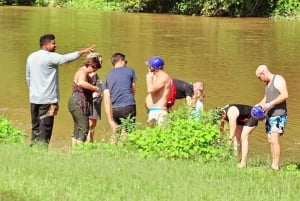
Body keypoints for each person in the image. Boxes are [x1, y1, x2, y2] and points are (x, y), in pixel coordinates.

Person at [26, 33, 95, 147]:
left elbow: (28, 77)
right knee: (46, 127)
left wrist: (33, 90)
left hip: (34, 98)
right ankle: (41, 152)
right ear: (46, 45)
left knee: (36, 126)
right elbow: (65, 59)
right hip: (48, 100)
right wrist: (84, 51)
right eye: (53, 43)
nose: (55, 45)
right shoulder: (50, 57)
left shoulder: (31, 56)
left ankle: (33, 148)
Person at [255, 64, 288, 170]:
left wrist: (270, 104)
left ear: (263, 73)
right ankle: (273, 163)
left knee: (274, 139)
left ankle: (276, 166)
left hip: (279, 114)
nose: (260, 80)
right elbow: (267, 97)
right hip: (269, 116)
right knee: (270, 140)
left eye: (259, 77)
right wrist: (259, 104)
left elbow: (284, 95)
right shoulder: (268, 84)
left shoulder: (278, 79)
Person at [103, 53, 137, 144]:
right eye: (125, 61)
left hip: (115, 108)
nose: (126, 63)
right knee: (127, 132)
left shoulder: (107, 76)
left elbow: (106, 100)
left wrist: (110, 120)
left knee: (116, 132)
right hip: (128, 105)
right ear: (121, 60)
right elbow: (133, 89)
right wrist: (130, 99)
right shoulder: (130, 71)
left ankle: (111, 151)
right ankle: (123, 151)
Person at [68, 56, 101, 146]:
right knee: (84, 127)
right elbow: (81, 82)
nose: (93, 71)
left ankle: (74, 151)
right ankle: (80, 151)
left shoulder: (81, 71)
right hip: (78, 102)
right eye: (94, 69)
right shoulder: (83, 72)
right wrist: (95, 88)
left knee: (78, 127)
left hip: (74, 101)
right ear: (90, 65)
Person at [219, 104, 261, 168]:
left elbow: (232, 131)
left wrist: (229, 142)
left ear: (223, 114)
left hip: (252, 116)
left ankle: (243, 163)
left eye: (222, 118)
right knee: (236, 138)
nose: (222, 119)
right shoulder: (220, 113)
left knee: (243, 137)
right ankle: (236, 159)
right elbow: (221, 127)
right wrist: (220, 138)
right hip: (241, 118)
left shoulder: (231, 113)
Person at [145, 56, 172, 125]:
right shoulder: (156, 77)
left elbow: (150, 89)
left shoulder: (163, 77)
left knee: (162, 134)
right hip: (153, 111)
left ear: (152, 68)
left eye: (148, 66)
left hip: (159, 112)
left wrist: (148, 78)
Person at [86, 53, 103, 143]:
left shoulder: (95, 75)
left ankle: (91, 144)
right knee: (90, 125)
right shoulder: (88, 74)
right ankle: (87, 144)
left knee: (93, 126)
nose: (101, 64)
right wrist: (91, 96)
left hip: (96, 104)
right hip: (91, 103)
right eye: (99, 62)